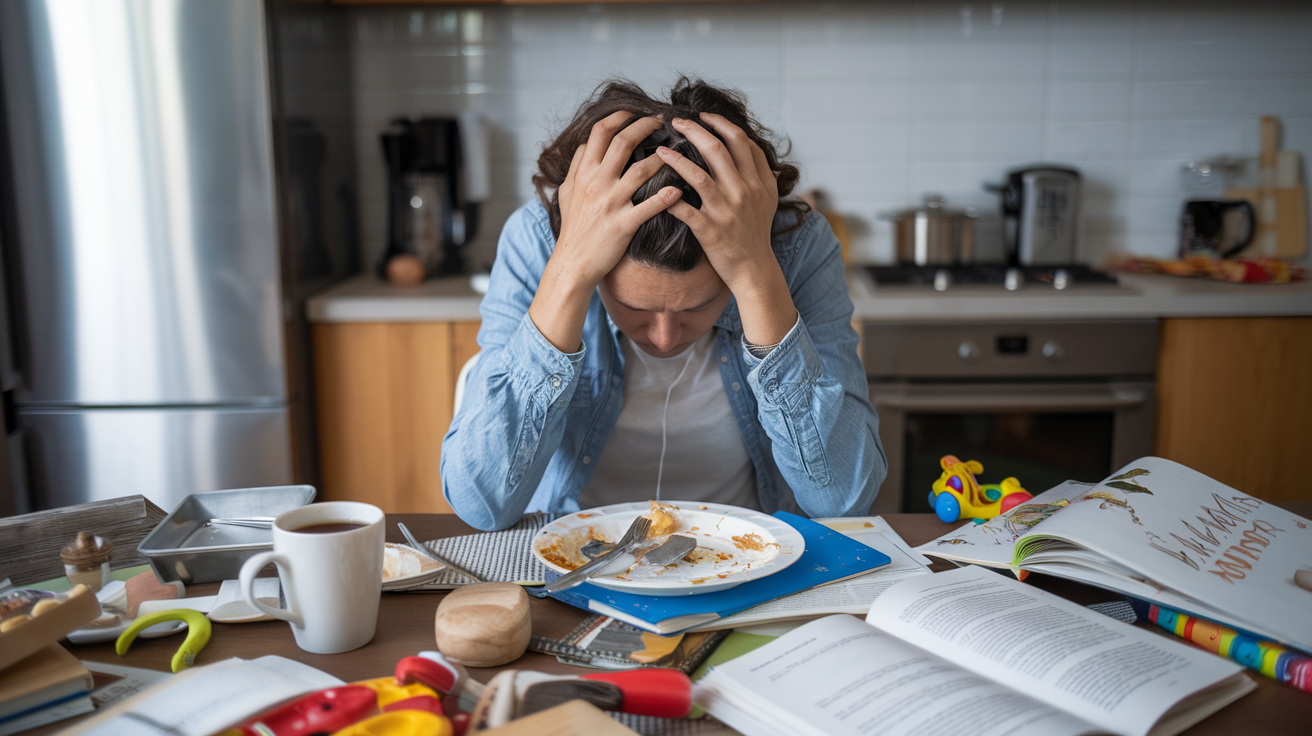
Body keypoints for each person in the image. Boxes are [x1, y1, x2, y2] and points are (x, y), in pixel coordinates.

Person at [441, 77, 885, 531]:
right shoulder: (539, 240)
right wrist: (570, 272)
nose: (665, 338)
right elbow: (482, 504)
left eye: (698, 306)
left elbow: (843, 501)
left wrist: (755, 275)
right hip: (576, 556)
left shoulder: (796, 248)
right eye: (634, 308)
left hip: (747, 554)